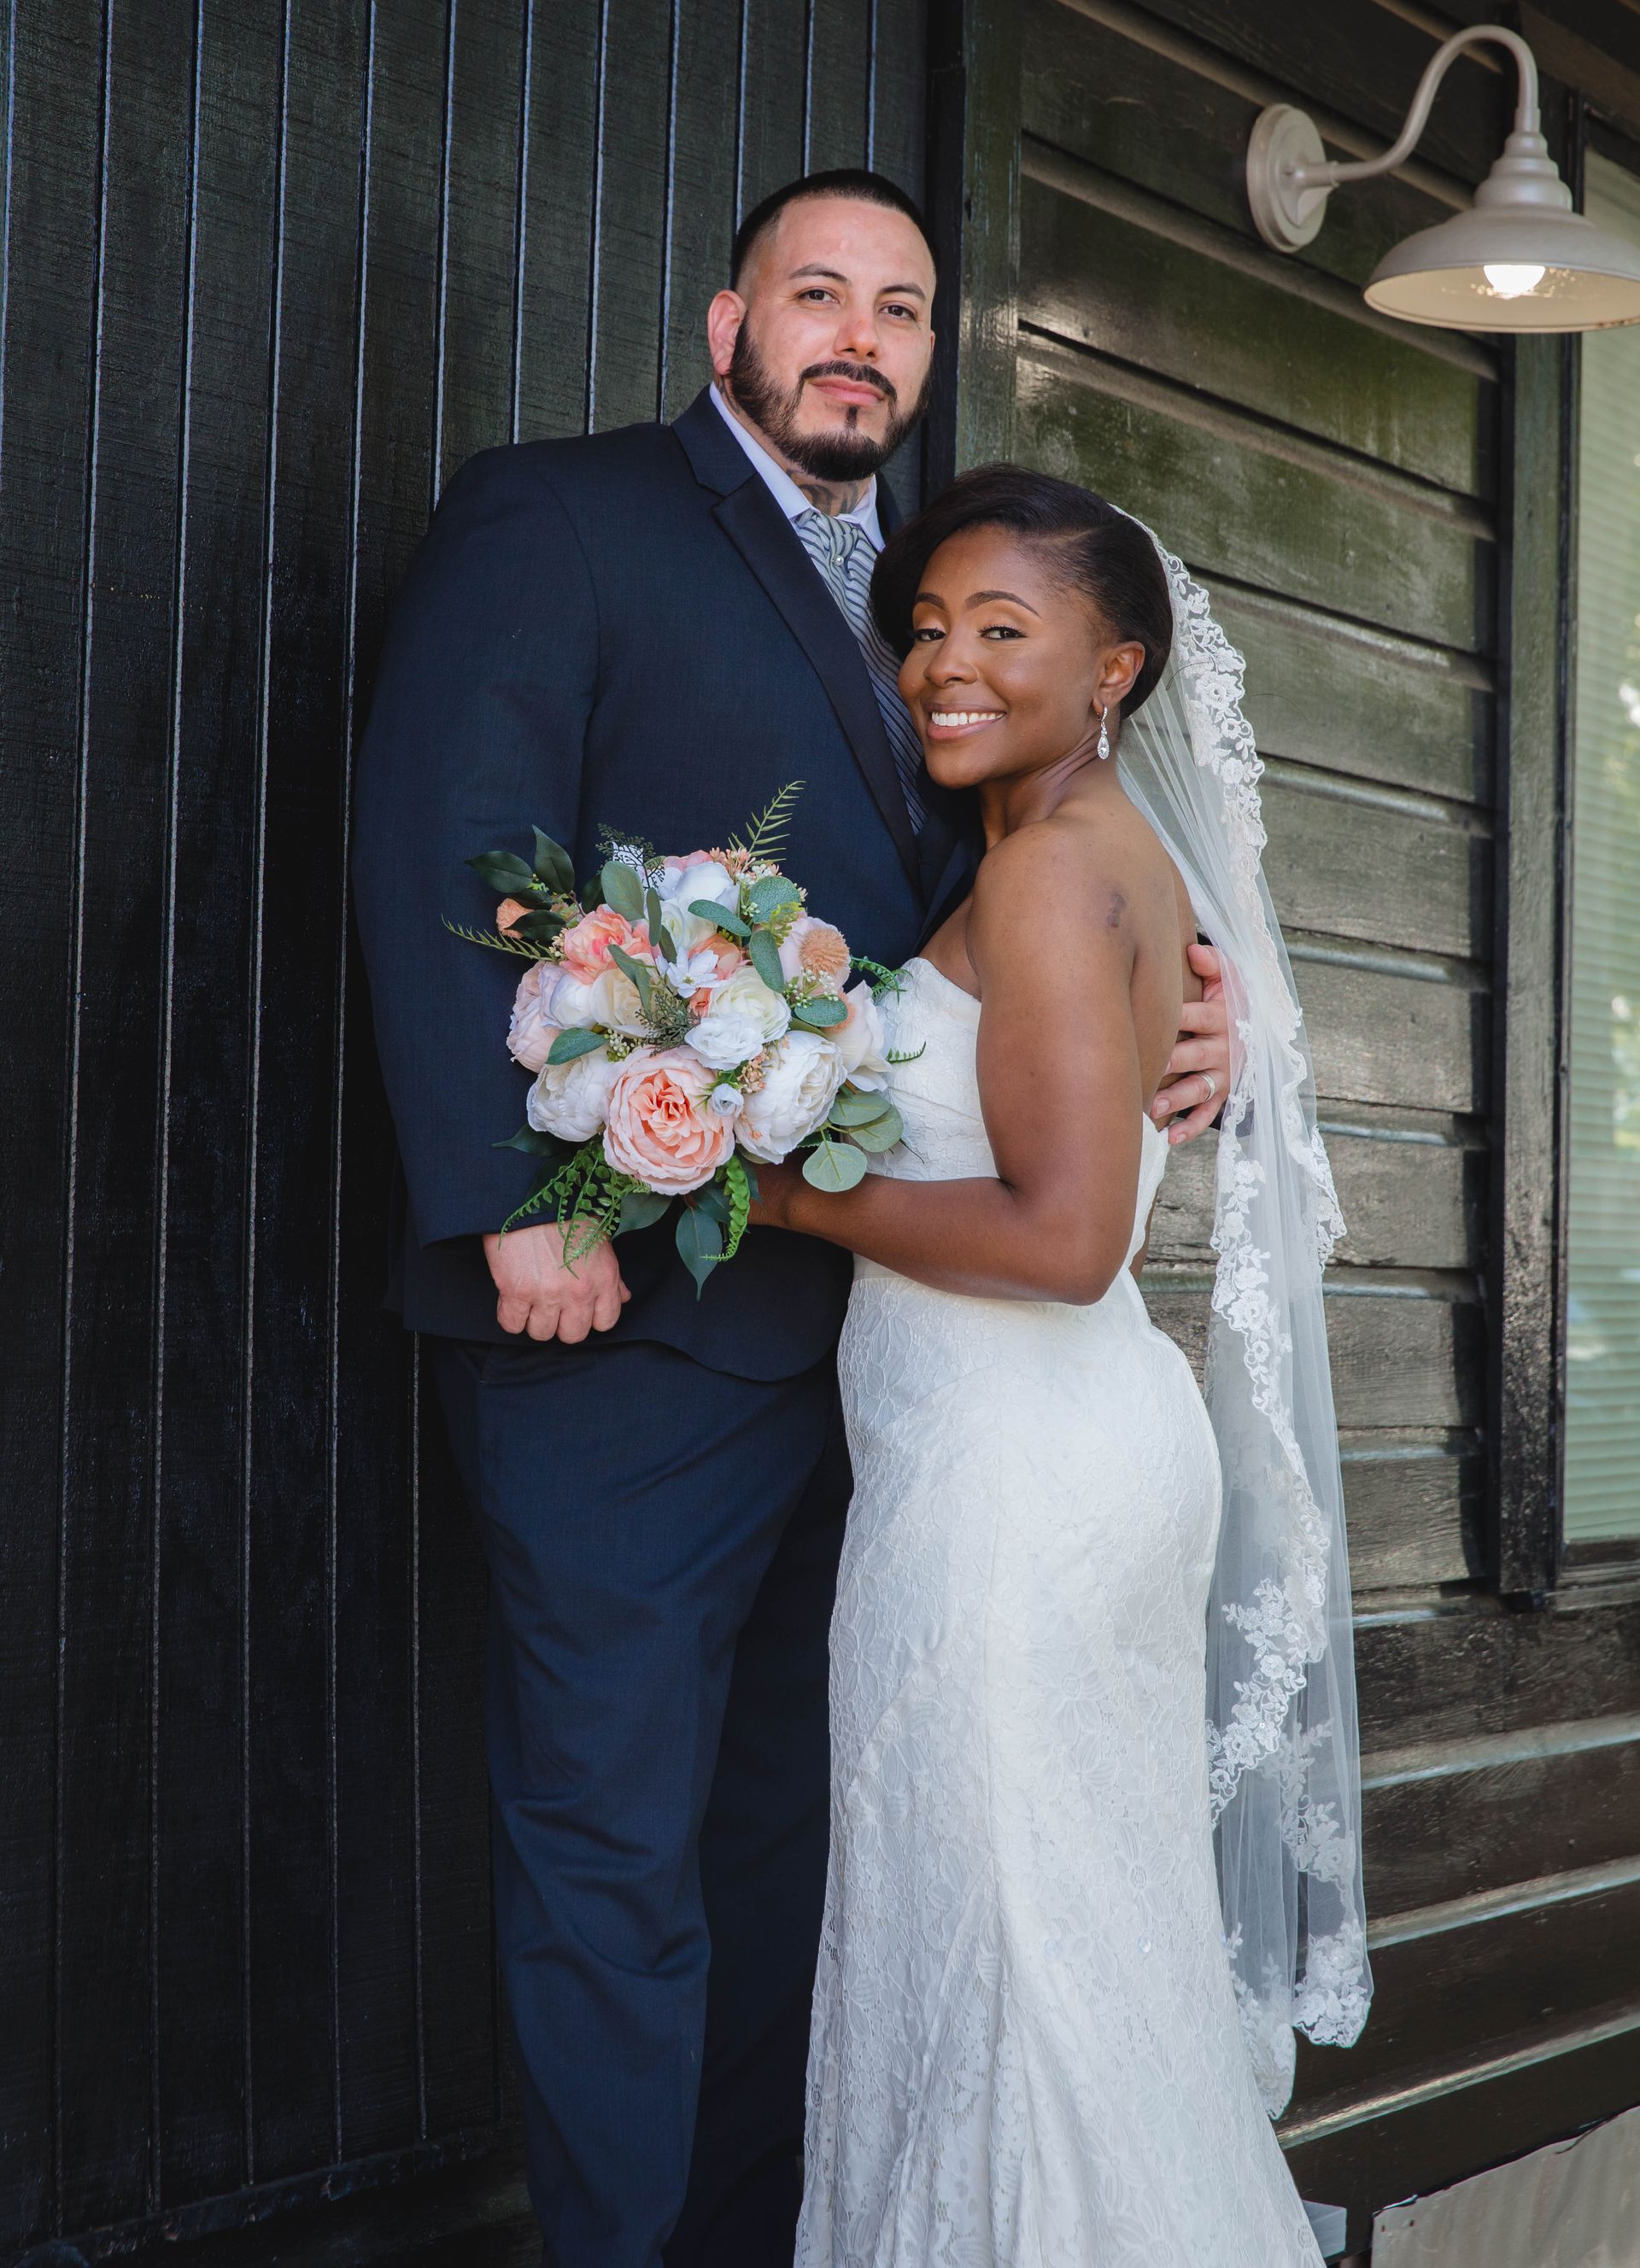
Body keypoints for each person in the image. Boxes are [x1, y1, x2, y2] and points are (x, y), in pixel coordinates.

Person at [351, 173, 1232, 2268]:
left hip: (889, 1373)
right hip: (620, 1326)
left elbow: (1052, 875)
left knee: (797, 1855)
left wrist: (1215, 1011)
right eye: (816, 293)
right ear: (728, 321)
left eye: (903, 308)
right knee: (615, 1854)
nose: (861, 335)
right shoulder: (558, 518)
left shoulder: (938, 593)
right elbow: (455, 846)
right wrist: (512, 1208)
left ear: (928, 355)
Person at [741, 468, 1370, 2266]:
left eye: (1004, 631)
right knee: (1082, 1951)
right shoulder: (1105, 855)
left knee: (1008, 1948)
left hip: (1013, 1481)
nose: (947, 661)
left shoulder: (1042, 879)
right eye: (929, 626)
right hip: (1062, 1451)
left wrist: (784, 1188)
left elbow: (1064, 1233)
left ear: (1118, 668)